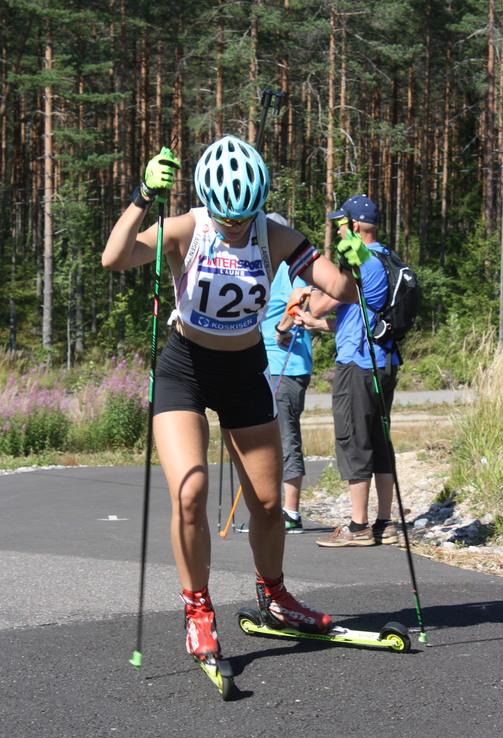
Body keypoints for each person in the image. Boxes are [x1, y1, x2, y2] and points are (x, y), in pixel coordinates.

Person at [101, 137, 368, 661]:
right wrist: (142, 197)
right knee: (190, 492)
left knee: (268, 504)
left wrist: (352, 261)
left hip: (245, 372)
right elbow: (115, 258)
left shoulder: (274, 234)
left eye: (245, 218)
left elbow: (342, 289)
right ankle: (198, 610)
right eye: (227, 218)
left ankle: (275, 597)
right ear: (209, 205)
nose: (236, 228)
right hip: (185, 371)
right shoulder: (188, 228)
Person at [290, 194, 400, 548]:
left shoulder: (361, 262)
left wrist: (308, 297)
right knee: (379, 440)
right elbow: (359, 317)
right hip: (384, 361)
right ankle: (384, 522)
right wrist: (317, 325)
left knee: (354, 439)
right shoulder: (387, 257)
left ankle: (358, 525)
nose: (338, 232)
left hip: (358, 364)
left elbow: (324, 303)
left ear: (354, 227)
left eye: (341, 225)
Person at [261, 212, 313, 534]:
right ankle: (270, 509)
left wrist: (282, 327)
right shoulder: (263, 267)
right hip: (265, 363)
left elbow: (303, 303)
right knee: (266, 439)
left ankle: (291, 512)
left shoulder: (290, 268)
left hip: (287, 365)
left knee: (286, 437)